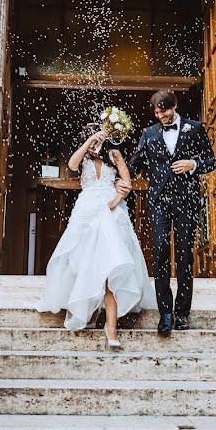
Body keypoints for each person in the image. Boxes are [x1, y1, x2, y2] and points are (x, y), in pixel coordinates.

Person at [36, 127, 155, 347]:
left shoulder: (114, 155)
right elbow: (72, 165)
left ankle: (111, 328)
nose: (95, 144)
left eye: (99, 139)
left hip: (111, 212)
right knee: (84, 262)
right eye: (91, 139)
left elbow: (127, 183)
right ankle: (88, 310)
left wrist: (114, 201)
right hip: (86, 211)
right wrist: (89, 141)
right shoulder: (82, 158)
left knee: (110, 265)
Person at [127, 90, 216, 336]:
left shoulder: (195, 128)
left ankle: (182, 313)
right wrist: (117, 173)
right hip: (159, 202)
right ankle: (165, 312)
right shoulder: (149, 133)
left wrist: (193, 164)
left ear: (174, 106)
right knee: (161, 252)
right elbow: (135, 164)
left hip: (187, 200)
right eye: (157, 113)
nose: (161, 116)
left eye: (164, 111)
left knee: (185, 255)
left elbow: (211, 161)